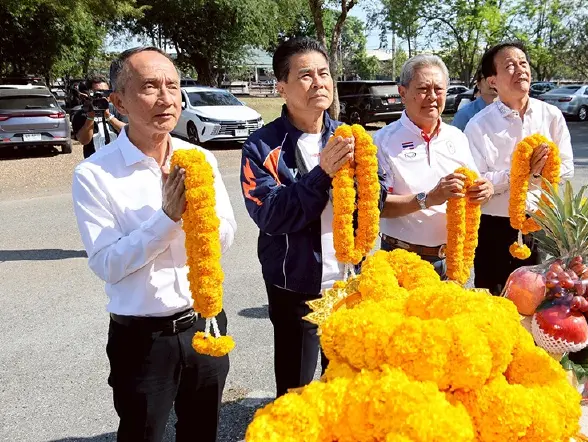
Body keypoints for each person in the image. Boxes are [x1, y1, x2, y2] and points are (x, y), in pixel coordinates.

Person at [71, 46, 237, 441]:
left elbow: (227, 235)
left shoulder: (199, 158)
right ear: (119, 102)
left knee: (202, 431)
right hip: (142, 340)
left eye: (173, 86)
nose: (166, 98)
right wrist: (167, 219)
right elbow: (107, 264)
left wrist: (200, 218)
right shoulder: (95, 174)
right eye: (150, 87)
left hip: (204, 324)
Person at [240, 37, 388, 398]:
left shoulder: (351, 137)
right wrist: (322, 174)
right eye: (306, 75)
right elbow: (270, 215)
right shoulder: (261, 146)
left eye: (324, 73)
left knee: (347, 387)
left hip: (349, 282)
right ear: (281, 87)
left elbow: (377, 197)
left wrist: (362, 186)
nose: (318, 83)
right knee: (297, 392)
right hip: (295, 289)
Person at [464, 41, 575, 295]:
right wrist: (520, 172)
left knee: (536, 297)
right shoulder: (479, 125)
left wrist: (540, 172)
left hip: (538, 223)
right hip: (494, 227)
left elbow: (567, 167)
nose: (520, 70)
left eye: (523, 63)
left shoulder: (551, 116)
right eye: (510, 66)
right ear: (492, 81)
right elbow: (477, 180)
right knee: (494, 299)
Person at [375, 54, 493, 279]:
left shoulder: (457, 136)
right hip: (401, 261)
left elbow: (474, 185)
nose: (431, 97)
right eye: (422, 89)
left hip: (450, 261)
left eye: (438, 89)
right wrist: (429, 198)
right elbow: (377, 206)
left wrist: (484, 190)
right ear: (402, 93)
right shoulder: (383, 140)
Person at [71, 75, 127, 159]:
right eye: (97, 93)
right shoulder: (81, 114)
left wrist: (109, 117)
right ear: (89, 93)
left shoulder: (118, 110)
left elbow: (129, 133)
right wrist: (90, 117)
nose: (102, 96)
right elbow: (84, 141)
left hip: (120, 159)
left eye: (105, 92)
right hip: (94, 161)